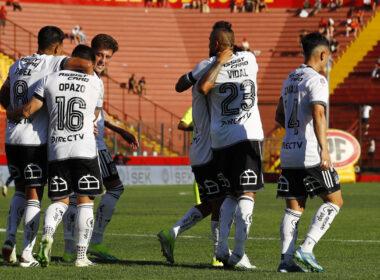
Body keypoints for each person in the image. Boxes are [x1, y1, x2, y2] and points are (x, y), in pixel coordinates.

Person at [0, 26, 92, 267]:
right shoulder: (57, 61)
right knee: (34, 195)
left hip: (11, 138)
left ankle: (10, 241)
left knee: (20, 189)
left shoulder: (17, 63)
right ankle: (26, 255)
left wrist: (12, 111)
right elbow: (85, 66)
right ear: (58, 45)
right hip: (34, 140)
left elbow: (3, 92)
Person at [62, 34, 139, 263]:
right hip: (92, 145)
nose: (103, 60)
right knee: (112, 189)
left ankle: (68, 249)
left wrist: (119, 129)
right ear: (90, 52)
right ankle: (94, 241)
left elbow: (97, 114)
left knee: (75, 197)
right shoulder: (92, 79)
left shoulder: (82, 76)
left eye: (108, 57)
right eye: (100, 55)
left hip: (76, 142)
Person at [196, 24, 264, 269]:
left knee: (230, 194)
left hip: (221, 140)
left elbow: (202, 88)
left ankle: (222, 248)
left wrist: (217, 63)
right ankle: (239, 253)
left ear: (216, 44)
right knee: (247, 193)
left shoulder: (207, 66)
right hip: (247, 137)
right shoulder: (249, 58)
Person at [275, 32, 343, 273]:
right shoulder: (317, 80)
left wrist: (294, 133)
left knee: (294, 208)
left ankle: (286, 261)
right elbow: (319, 113)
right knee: (334, 201)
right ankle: (307, 248)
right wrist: (324, 149)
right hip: (311, 153)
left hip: (288, 151)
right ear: (322, 54)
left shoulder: (289, 78)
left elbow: (279, 115)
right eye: (328, 58)